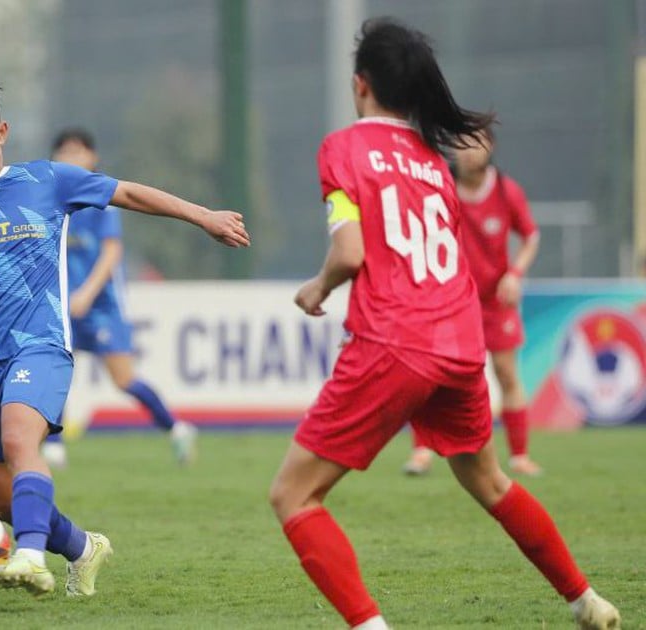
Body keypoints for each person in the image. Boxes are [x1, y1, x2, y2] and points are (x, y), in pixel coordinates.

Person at [270, 18, 619, 630]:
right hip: (459, 344)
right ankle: (585, 600)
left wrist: (317, 287)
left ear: (360, 87)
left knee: (293, 496)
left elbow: (350, 252)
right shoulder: (435, 162)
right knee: (490, 481)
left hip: (393, 340)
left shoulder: (343, 148)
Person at [0, 66, 249, 598]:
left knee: (20, 440)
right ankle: (82, 549)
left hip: (40, 347)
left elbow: (128, 194)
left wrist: (201, 214)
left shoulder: (47, 179)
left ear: (1, 133)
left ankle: (27, 557)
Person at [40, 127, 197, 470]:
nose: (71, 159)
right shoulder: (50, 201)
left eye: (78, 152)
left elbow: (111, 253)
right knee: (55, 371)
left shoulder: (101, 200)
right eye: (63, 153)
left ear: (92, 158)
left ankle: (176, 428)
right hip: (62, 306)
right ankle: (53, 444)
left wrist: (86, 294)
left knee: (124, 379)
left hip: (100, 306)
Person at [403, 128, 542, 476]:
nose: (466, 152)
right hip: (446, 299)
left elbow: (530, 237)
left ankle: (520, 456)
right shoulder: (438, 187)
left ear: (490, 147)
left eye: (475, 144)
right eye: (460, 144)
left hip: (495, 301)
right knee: (428, 376)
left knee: (506, 373)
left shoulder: (506, 191)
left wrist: (515, 273)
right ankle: (422, 451)